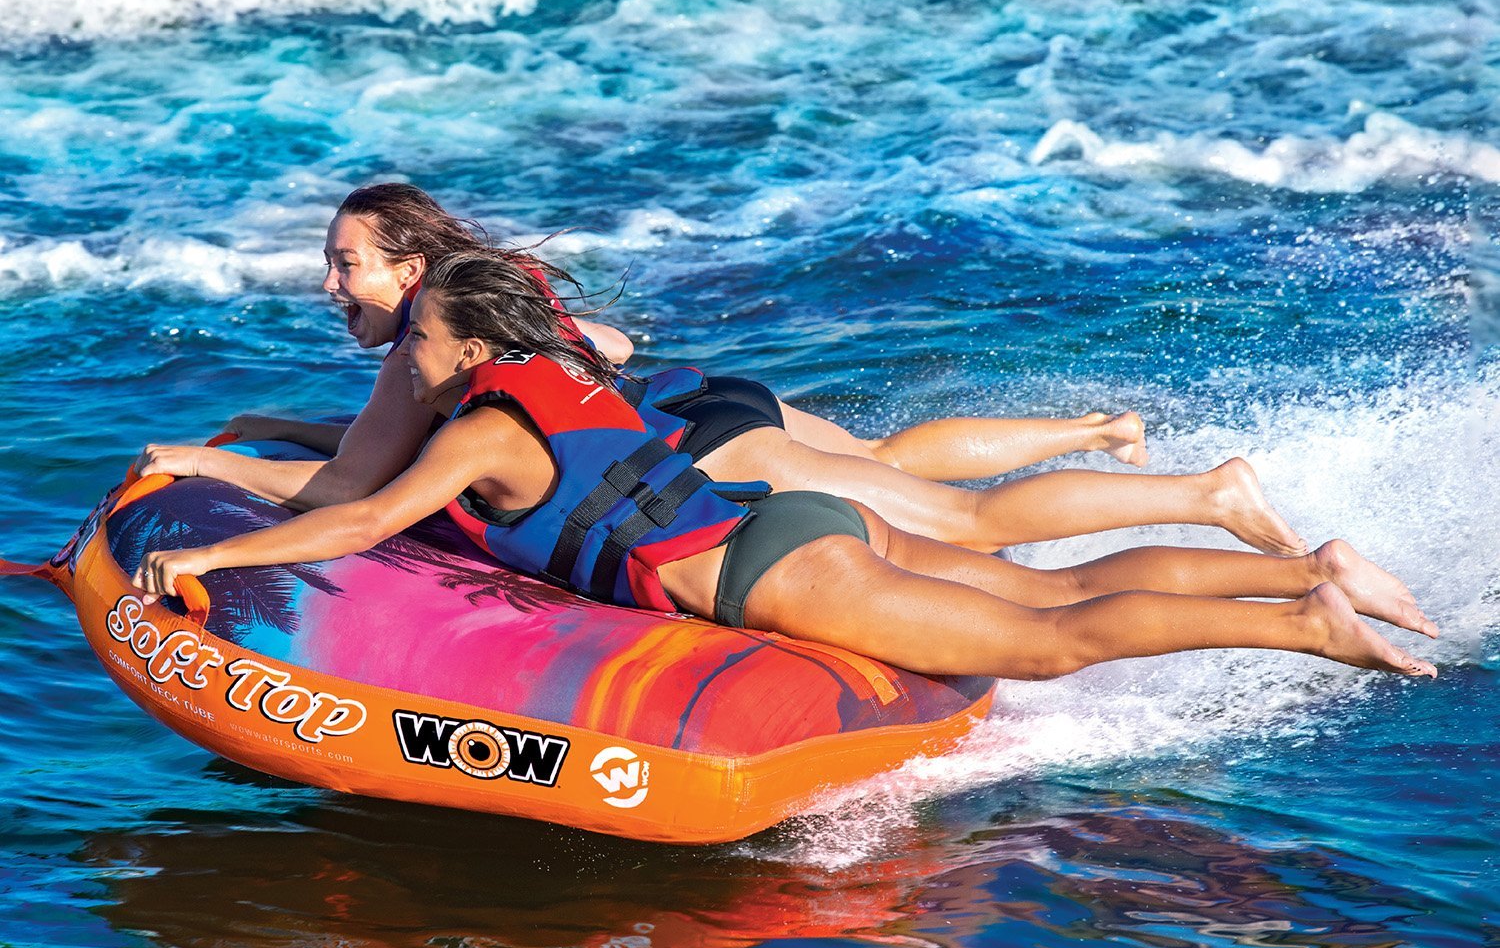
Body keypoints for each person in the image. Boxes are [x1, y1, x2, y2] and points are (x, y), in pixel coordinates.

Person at [134, 251, 1437, 683]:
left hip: (773, 574)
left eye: (421, 334)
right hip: (785, 517)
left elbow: (354, 522)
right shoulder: (562, 377)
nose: (407, 352)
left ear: (472, 348)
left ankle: (1308, 624)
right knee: (1051, 585)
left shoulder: (480, 429)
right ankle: (1304, 567)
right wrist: (272, 436)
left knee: (1054, 639)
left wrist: (211, 548)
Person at [134, 185, 1306, 557]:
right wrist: (284, 423)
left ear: (409, 270)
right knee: (889, 458)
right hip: (702, 396)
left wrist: (208, 461)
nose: (330, 283)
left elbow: (355, 492)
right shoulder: (498, 285)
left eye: (346, 264)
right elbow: (611, 351)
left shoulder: (422, 350)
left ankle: (1207, 497)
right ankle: (1100, 431)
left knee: (964, 523)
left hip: (697, 453)